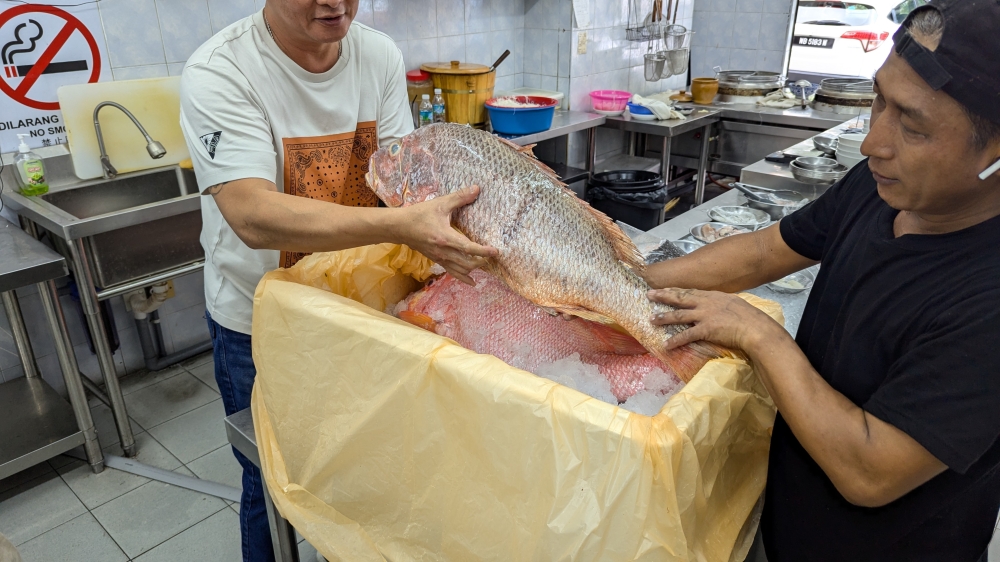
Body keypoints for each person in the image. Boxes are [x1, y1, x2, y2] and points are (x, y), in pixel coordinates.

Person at [643, 3, 1000, 561]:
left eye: (911, 125)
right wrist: (627, 279)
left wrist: (760, 335)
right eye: (879, 99)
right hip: (790, 518)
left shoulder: (987, 298)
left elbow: (870, 470)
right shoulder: (881, 187)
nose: (872, 144)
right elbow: (763, 251)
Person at [179, 1, 496, 560]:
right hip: (261, 320)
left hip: (360, 312)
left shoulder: (377, 54)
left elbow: (405, 173)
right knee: (271, 477)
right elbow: (250, 214)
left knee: (363, 470)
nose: (335, 3)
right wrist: (402, 225)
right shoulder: (222, 70)